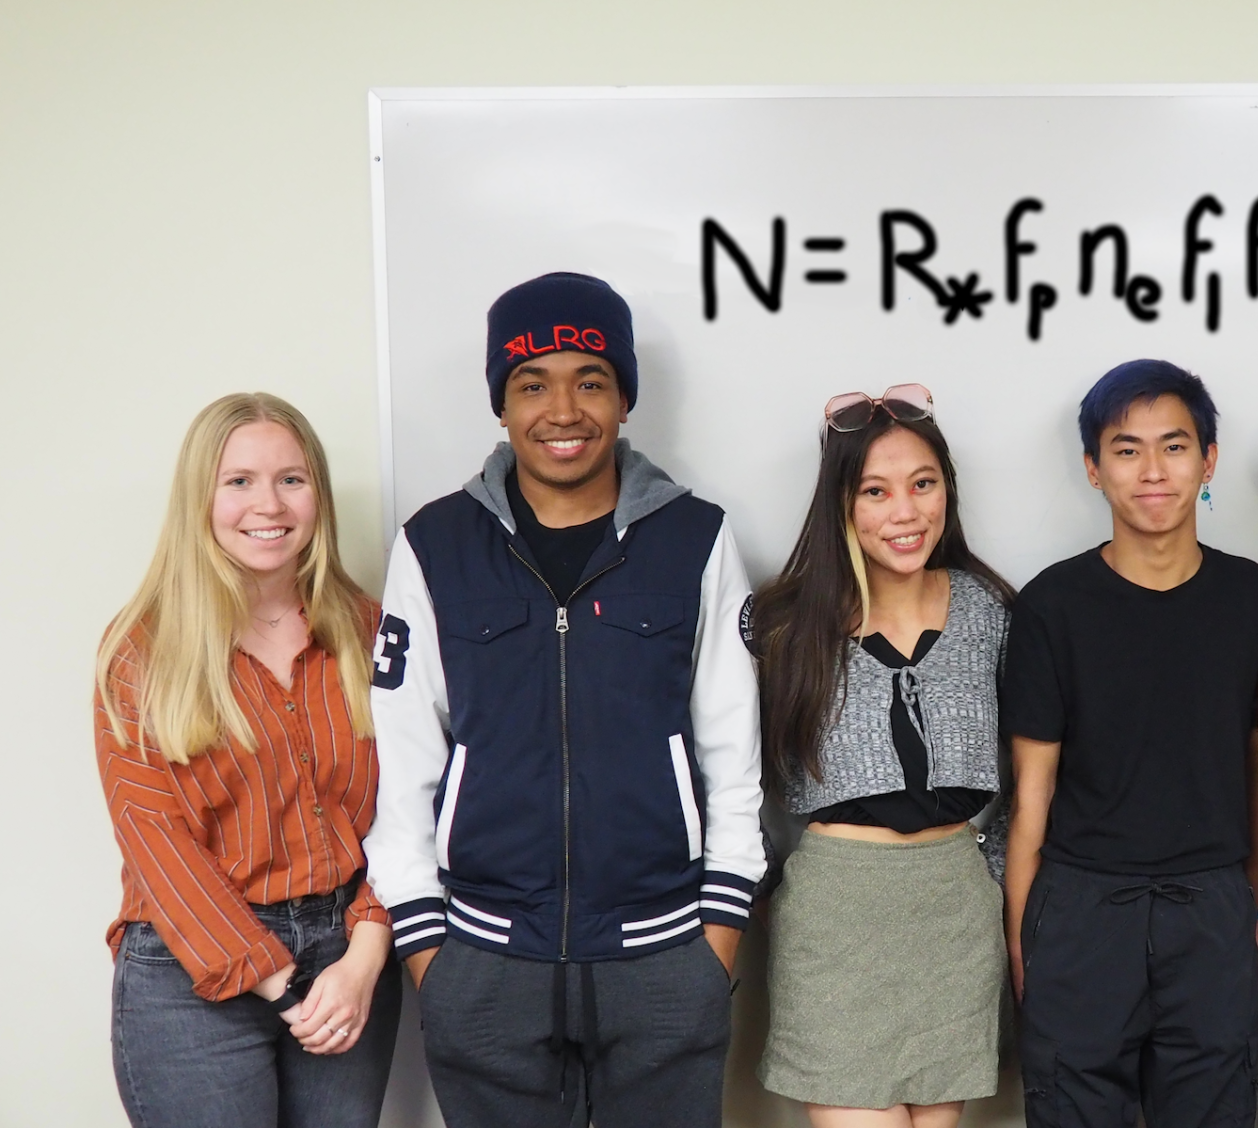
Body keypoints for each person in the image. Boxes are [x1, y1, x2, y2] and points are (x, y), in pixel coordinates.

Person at [364, 272, 766, 1127]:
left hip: (664, 957)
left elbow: (735, 754)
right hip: (483, 959)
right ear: (500, 407)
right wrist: (430, 950)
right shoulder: (433, 546)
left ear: (624, 399)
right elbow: (403, 764)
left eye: (589, 380)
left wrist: (716, 942)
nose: (563, 410)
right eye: (531, 384)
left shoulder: (697, 537)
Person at [95, 392, 398, 1128]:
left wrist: (363, 958)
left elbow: (411, 806)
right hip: (191, 977)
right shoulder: (142, 650)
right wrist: (280, 984)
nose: (270, 503)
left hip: (346, 960)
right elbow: (155, 840)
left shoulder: (367, 631)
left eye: (292, 479)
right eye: (239, 481)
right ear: (202, 497)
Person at [1004, 359, 1258, 1128]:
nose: (1152, 471)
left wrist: (1251, 916)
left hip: (1213, 905)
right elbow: (1033, 794)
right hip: (1082, 908)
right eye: (1126, 450)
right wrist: (1027, 941)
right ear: (1093, 468)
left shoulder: (1253, 597)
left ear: (1208, 460)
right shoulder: (1051, 605)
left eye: (1174, 446)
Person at [745, 384, 1013, 1128]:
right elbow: (728, 774)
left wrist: (982, 873)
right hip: (837, 917)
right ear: (841, 503)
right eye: (877, 491)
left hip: (955, 915)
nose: (906, 512)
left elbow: (1032, 768)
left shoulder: (990, 610)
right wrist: (767, 884)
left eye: (923, 484)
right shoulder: (781, 624)